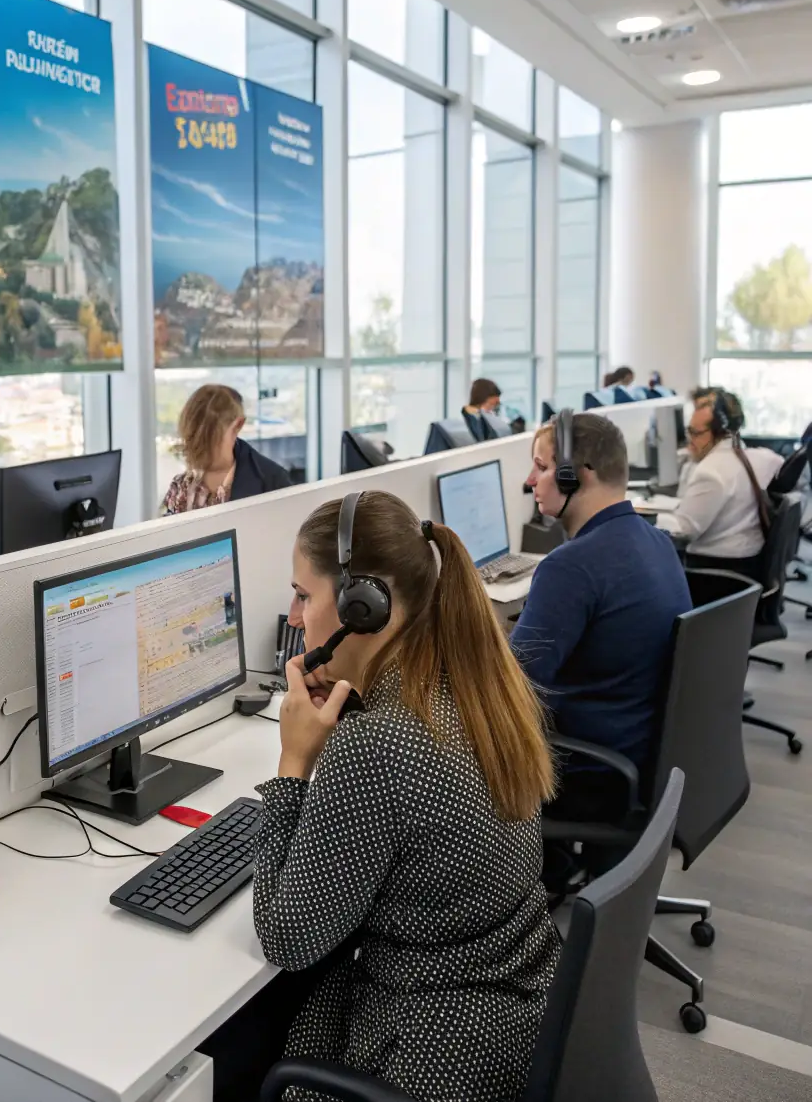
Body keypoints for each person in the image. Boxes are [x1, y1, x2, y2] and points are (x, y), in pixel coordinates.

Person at [244, 490, 559, 1102]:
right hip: (512, 1008)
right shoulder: (473, 682)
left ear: (364, 606)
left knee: (237, 1045)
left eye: (304, 595)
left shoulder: (375, 744)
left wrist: (293, 767)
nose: (292, 616)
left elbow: (287, 940)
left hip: (428, 1050)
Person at [512, 412, 691, 830]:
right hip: (638, 751)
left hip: (586, 772)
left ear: (578, 475)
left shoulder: (571, 568)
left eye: (541, 467)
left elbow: (510, 687)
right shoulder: (657, 542)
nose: (529, 481)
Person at [657, 389, 782, 582]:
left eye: (695, 433)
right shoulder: (762, 459)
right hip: (750, 565)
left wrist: (648, 519)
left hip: (715, 573)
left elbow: (685, 530)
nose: (690, 440)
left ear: (719, 432)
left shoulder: (711, 471)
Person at [160, 384, 292, 515]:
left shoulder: (273, 484)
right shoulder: (179, 486)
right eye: (190, 437)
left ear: (238, 425)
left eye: (207, 437)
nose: (196, 446)